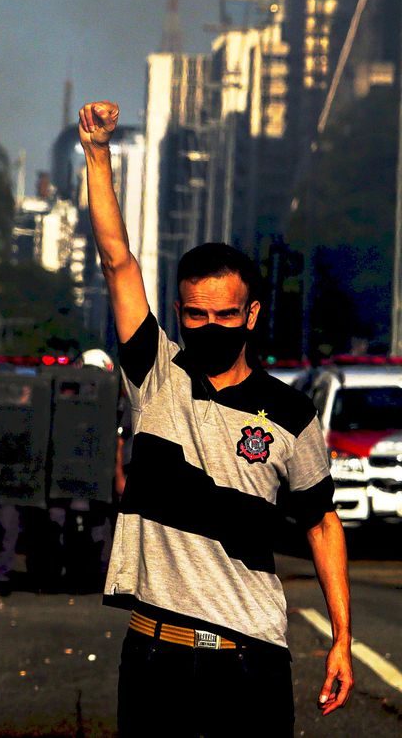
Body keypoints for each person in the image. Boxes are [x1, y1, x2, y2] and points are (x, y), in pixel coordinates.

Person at [79, 100, 352, 736]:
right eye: (195, 315)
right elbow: (118, 259)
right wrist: (97, 155)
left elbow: (320, 521)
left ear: (251, 315)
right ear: (179, 314)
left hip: (249, 660)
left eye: (225, 315)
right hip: (153, 655)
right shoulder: (156, 375)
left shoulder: (290, 412)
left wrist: (342, 636)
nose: (209, 327)